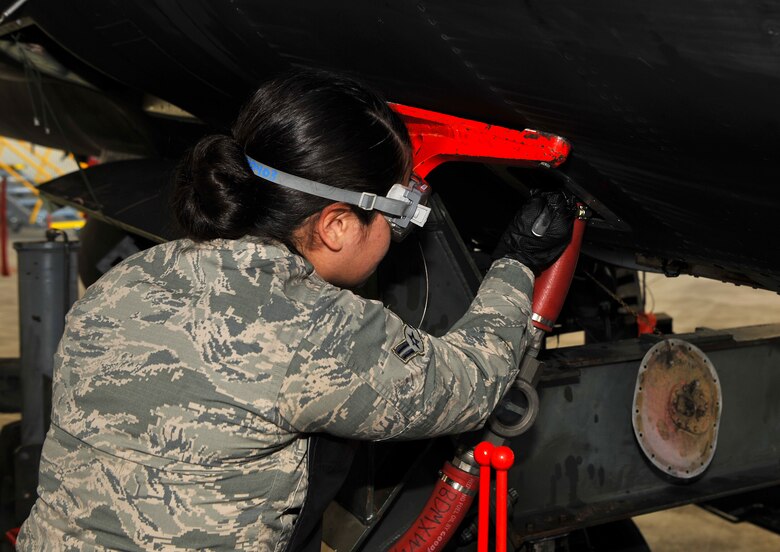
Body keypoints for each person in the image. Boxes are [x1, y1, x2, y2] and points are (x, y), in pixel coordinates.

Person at [17, 70, 572, 551]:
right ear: (335, 225)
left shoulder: (129, 276)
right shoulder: (313, 328)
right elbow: (473, 382)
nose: (401, 232)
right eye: (400, 213)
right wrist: (517, 263)